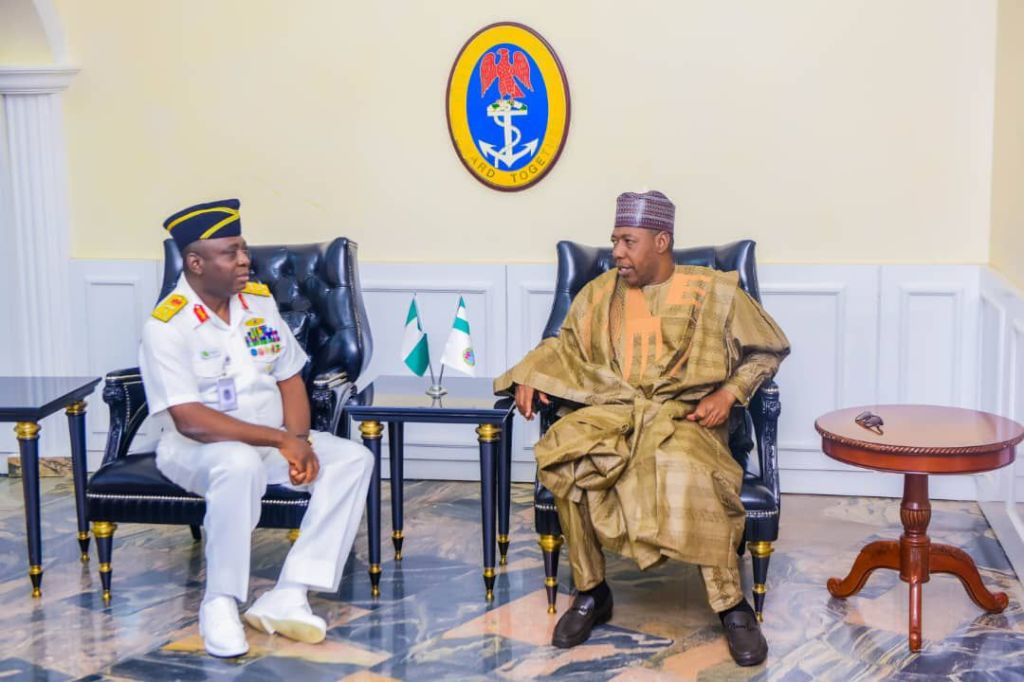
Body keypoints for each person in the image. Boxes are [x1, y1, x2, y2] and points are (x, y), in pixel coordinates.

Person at [494, 190, 790, 666]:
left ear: (661, 241)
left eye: (628, 241)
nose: (617, 252)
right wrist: (529, 373)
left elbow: (767, 350)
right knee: (567, 457)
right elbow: (561, 347)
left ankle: (731, 605)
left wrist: (729, 393)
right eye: (615, 241)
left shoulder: (715, 292)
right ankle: (592, 592)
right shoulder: (598, 294)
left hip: (686, 418)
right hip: (615, 412)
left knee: (688, 470)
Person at [139, 198, 375, 658]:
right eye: (231, 252)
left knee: (352, 459)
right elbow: (190, 420)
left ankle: (291, 591)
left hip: (270, 441)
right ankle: (220, 602)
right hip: (195, 450)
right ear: (196, 263)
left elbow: (290, 378)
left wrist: (300, 442)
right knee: (237, 462)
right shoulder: (167, 325)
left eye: (244, 249)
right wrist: (283, 440)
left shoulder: (258, 305)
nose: (245, 260)